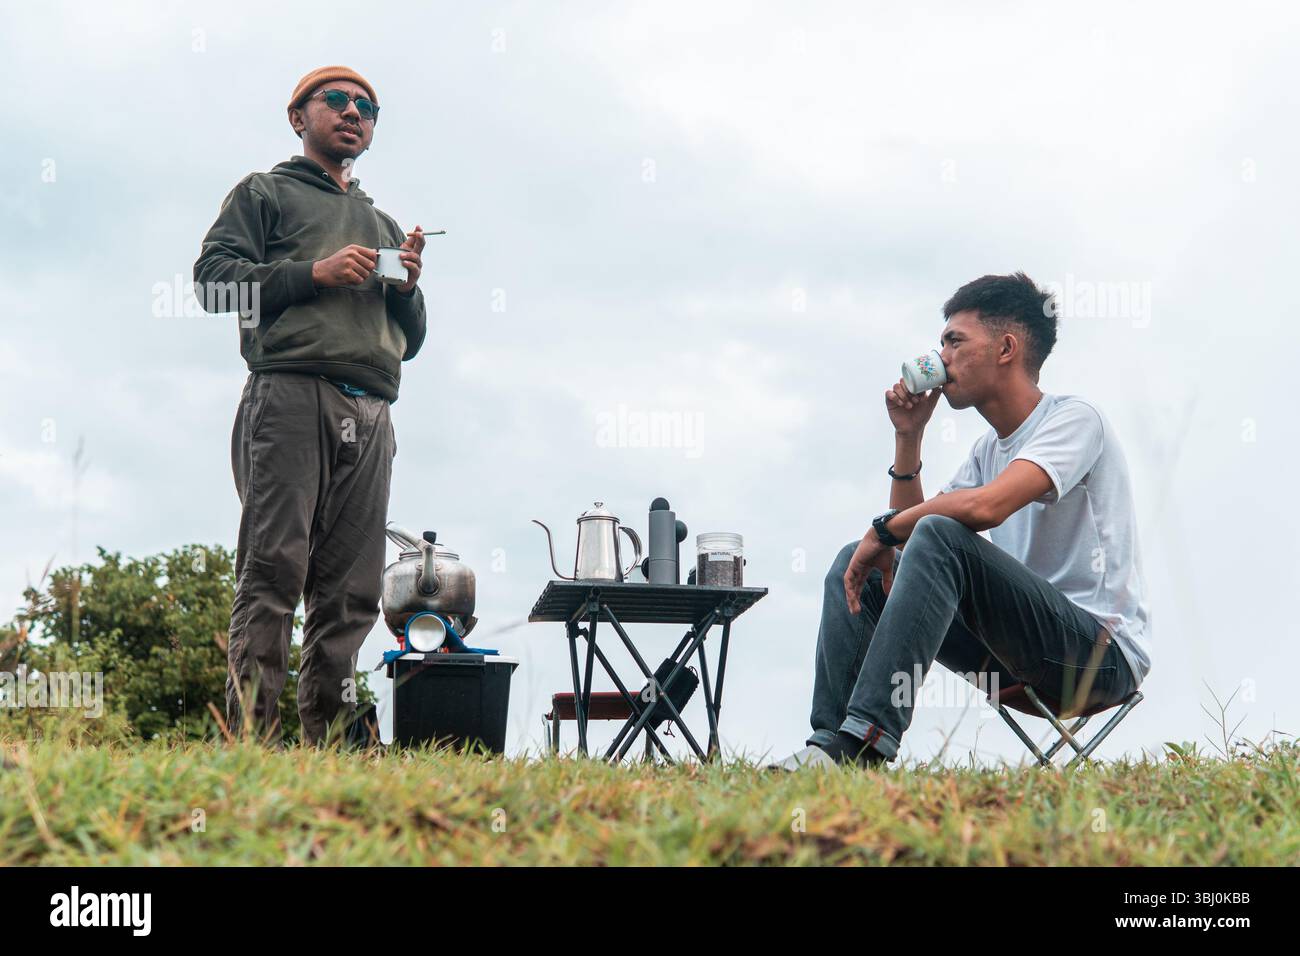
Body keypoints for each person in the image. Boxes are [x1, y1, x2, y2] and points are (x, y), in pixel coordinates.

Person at [776, 272, 1151, 769]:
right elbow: (908, 543)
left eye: (955, 341)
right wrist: (909, 438)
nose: (943, 357)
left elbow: (983, 509)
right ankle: (831, 746)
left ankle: (864, 743)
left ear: (1006, 348)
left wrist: (883, 529)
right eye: (942, 344)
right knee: (862, 562)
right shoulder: (986, 451)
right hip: (1016, 654)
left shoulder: (1075, 420)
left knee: (934, 535)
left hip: (1096, 658)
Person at [193, 66, 428, 745]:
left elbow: (410, 341)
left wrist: (407, 287)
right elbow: (213, 287)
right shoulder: (265, 194)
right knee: (274, 568)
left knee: (352, 589)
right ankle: (255, 744)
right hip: (291, 394)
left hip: (374, 411)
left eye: (368, 106)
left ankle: (336, 745)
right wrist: (313, 274)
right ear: (298, 118)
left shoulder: (381, 222)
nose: (353, 111)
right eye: (337, 100)